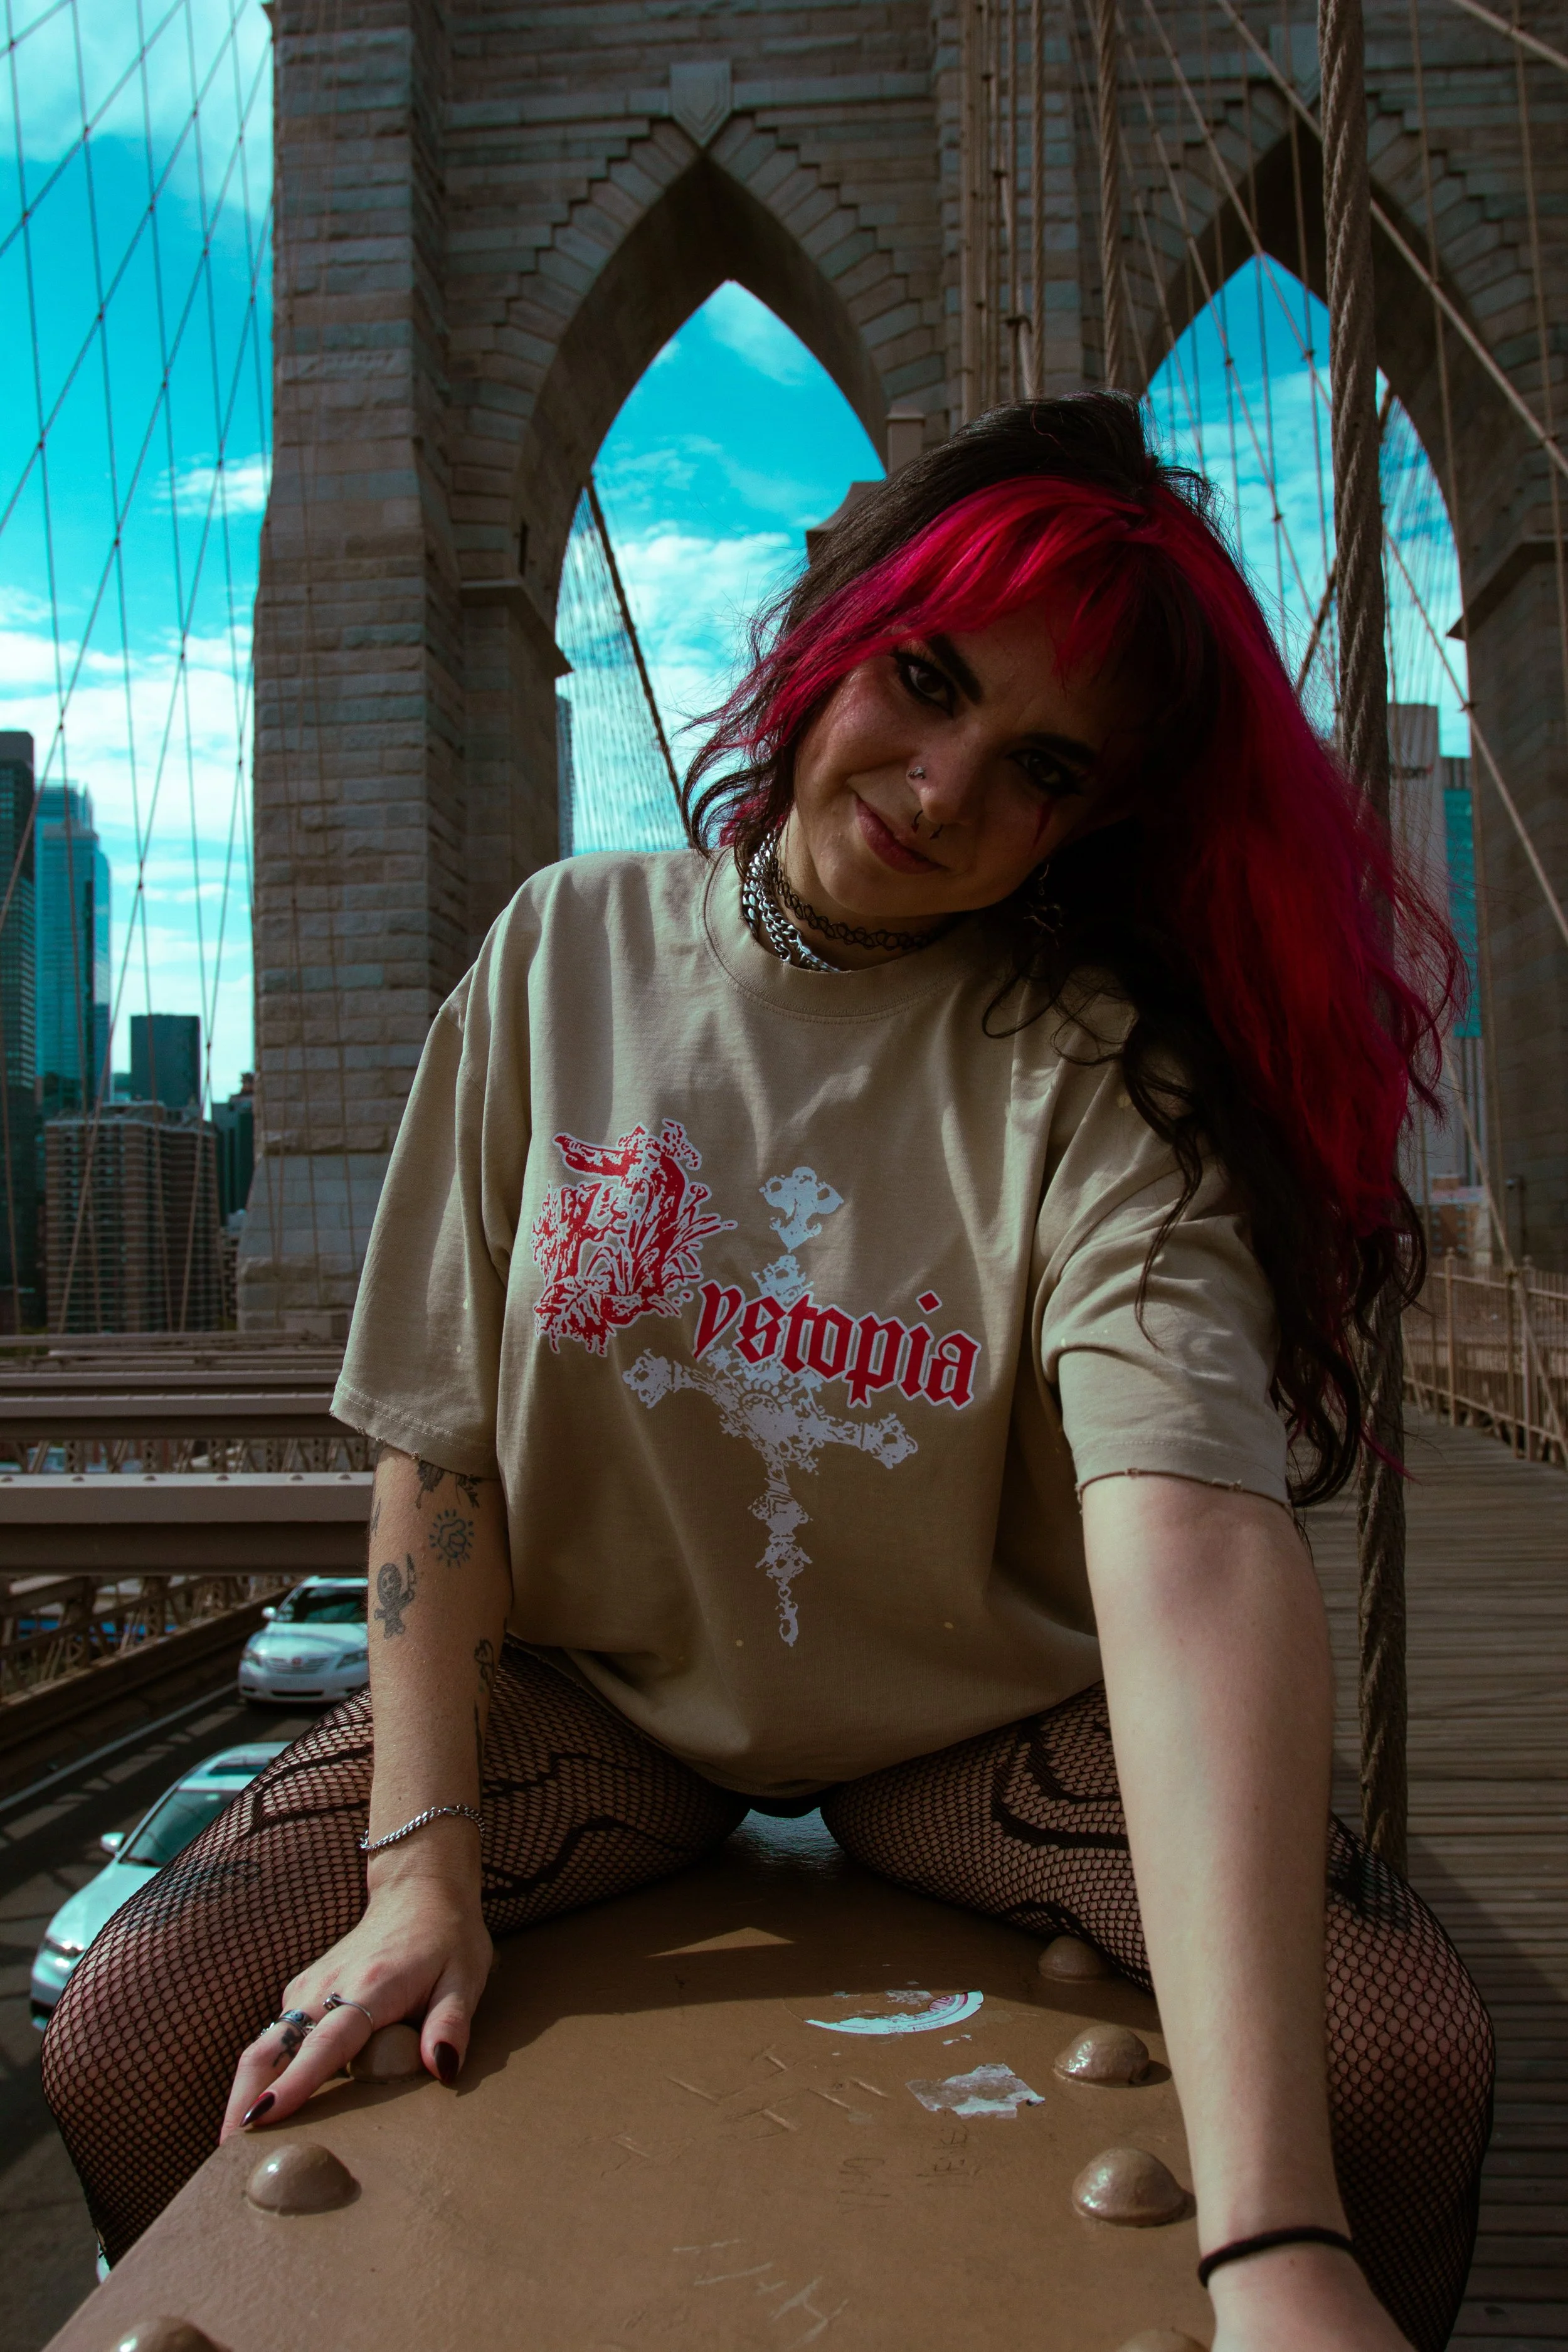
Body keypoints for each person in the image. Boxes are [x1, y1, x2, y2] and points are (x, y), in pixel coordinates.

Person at [44, 395, 1491, 2351]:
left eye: (1042, 765)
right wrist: (418, 1874)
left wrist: (1270, 2245)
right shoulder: (561, 952)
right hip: (602, 1707)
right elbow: (440, 1456)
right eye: (927, 678)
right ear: (833, 631)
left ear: (1093, 821)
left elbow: (1193, 1537)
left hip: (964, 1734)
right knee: (135, 2034)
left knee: (1398, 2068)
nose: (948, 781)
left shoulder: (1086, 1075)